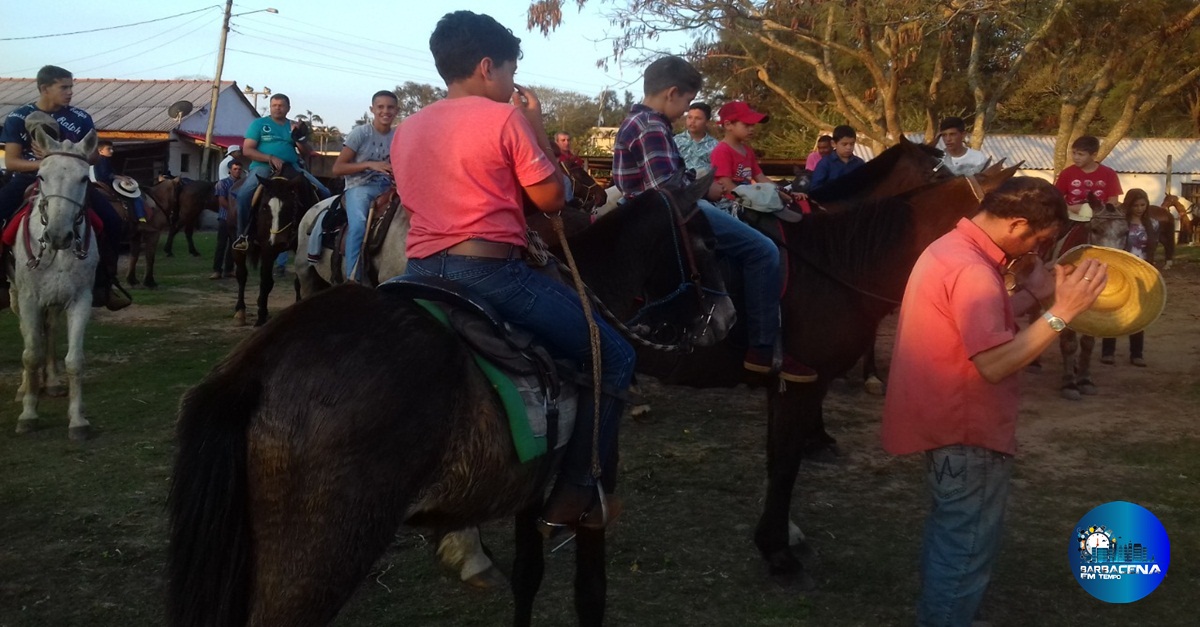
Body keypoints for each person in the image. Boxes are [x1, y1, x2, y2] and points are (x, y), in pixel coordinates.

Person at [392, 10, 634, 532]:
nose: (511, 82)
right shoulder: (504, 119)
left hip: (418, 272)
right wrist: (536, 127)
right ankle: (577, 491)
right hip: (487, 272)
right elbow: (552, 199)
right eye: (510, 70)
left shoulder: (408, 127)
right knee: (614, 354)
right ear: (487, 67)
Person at [882, 177, 1107, 627]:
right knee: (965, 545)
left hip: (943, 421)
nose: (1037, 251)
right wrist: (1063, 313)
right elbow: (994, 363)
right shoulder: (973, 272)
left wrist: (1036, 295)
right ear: (1018, 224)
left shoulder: (950, 250)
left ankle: (943, 614)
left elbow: (977, 325)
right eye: (1039, 240)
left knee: (951, 531)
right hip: (968, 430)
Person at [613, 56, 816, 383]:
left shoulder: (637, 121)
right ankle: (762, 347)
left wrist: (699, 182)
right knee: (764, 251)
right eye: (688, 102)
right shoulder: (651, 126)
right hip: (668, 215)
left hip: (649, 211)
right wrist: (706, 189)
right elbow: (666, 189)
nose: (686, 110)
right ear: (672, 93)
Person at [0, 64, 129, 310]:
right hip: (29, 179)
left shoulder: (80, 118)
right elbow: (12, 161)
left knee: (112, 221)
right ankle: (2, 284)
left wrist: (67, 157)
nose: (70, 92)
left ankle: (105, 284)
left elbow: (93, 156)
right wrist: (46, 163)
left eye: (71, 87)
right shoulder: (18, 117)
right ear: (44, 88)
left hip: (71, 182)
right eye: (64, 87)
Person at [232, 93, 330, 251]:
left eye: (281, 105)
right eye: (274, 105)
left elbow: (306, 152)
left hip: (292, 167)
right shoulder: (258, 124)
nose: (277, 108)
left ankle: (319, 234)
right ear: (270, 107)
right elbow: (248, 150)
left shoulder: (292, 126)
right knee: (244, 194)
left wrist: (298, 137)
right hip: (263, 166)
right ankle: (242, 235)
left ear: (288, 108)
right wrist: (270, 158)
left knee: (324, 192)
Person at [332, 90, 398, 282]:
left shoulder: (398, 135)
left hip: (387, 186)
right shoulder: (360, 133)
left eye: (390, 107)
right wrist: (370, 164)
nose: (385, 111)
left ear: (396, 110)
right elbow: (338, 168)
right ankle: (353, 277)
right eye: (380, 107)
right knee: (359, 225)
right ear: (372, 109)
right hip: (359, 186)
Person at [1100, 188, 1155, 367]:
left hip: (1142, 273)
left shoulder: (1153, 224)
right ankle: (1108, 352)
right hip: (1120, 271)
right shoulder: (1120, 223)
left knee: (1139, 313)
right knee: (1114, 310)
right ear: (1128, 205)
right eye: (1135, 205)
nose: (1139, 209)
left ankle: (1137, 354)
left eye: (1143, 205)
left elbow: (1152, 250)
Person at [709, 101, 793, 205]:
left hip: (748, 201)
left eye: (752, 125)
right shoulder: (722, 151)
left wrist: (780, 192)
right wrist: (752, 201)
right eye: (747, 125)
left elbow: (760, 177)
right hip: (730, 204)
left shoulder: (747, 151)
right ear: (728, 125)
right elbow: (725, 184)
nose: (752, 129)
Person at [1054, 135, 1122, 223]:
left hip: (1100, 220)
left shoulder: (1109, 173)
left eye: (1080, 154)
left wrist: (1100, 212)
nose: (1076, 157)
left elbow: (1113, 200)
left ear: (1094, 155)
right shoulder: (1067, 173)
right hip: (1071, 218)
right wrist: (1070, 208)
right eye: (1073, 153)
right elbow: (1056, 198)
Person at [92, 140, 147, 222]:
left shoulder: (102, 160)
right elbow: (105, 175)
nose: (112, 151)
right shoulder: (102, 160)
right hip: (108, 183)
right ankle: (140, 216)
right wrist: (121, 178)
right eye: (108, 149)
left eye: (112, 149)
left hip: (105, 182)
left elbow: (110, 173)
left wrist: (122, 176)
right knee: (135, 197)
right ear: (100, 151)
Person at [210, 161, 243, 279]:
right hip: (225, 217)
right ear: (230, 170)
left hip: (237, 219)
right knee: (221, 244)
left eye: (239, 169)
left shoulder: (243, 183)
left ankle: (229, 269)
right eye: (235, 169)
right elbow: (222, 201)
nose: (237, 171)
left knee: (233, 244)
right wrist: (233, 211)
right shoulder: (223, 183)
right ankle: (217, 270)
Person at [809, 124, 865, 191]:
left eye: (852, 144)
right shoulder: (825, 163)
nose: (849, 147)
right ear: (833, 143)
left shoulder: (859, 163)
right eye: (844, 144)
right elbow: (815, 188)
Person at [673, 102, 718, 172]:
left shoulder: (714, 145)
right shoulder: (675, 141)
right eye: (689, 117)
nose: (692, 121)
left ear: (707, 121)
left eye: (698, 118)